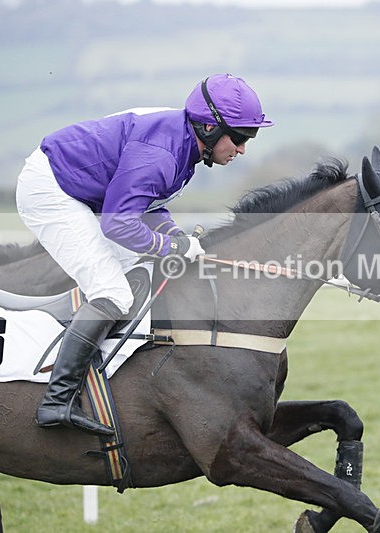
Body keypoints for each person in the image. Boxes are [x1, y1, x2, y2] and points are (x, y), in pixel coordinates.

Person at [15, 73, 273, 436]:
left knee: (138, 275)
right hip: (52, 190)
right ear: (211, 128)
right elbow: (118, 225)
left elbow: (148, 203)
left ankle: (105, 379)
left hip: (88, 195)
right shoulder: (163, 153)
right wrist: (173, 247)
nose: (243, 149)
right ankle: (57, 402)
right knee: (113, 293)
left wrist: (174, 236)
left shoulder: (184, 143)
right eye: (241, 137)